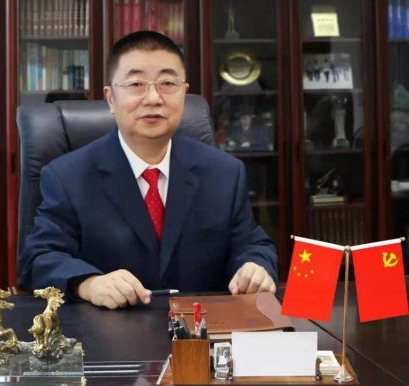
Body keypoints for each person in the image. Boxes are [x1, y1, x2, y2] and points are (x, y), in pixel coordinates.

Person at [18, 30, 278, 309]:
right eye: (136, 84)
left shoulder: (224, 172)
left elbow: (252, 245)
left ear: (184, 93)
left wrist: (254, 267)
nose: (153, 98)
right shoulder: (68, 176)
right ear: (110, 98)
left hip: (202, 328)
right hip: (107, 329)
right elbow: (38, 259)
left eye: (167, 83)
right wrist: (89, 284)